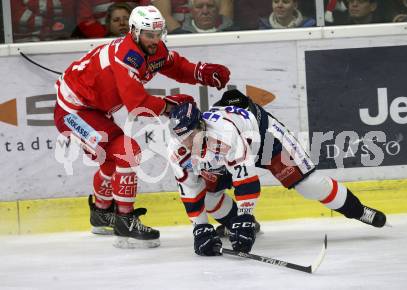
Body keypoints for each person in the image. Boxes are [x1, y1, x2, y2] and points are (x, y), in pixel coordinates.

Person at [53, 5, 230, 249]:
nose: (155, 40)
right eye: (149, 34)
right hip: (73, 111)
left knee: (109, 158)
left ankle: (102, 212)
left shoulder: (151, 47)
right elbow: (136, 103)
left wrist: (200, 72)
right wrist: (169, 107)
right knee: (127, 152)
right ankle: (124, 221)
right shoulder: (126, 56)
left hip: (93, 108)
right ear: (135, 32)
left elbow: (175, 66)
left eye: (159, 33)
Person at [167, 90, 387, 256]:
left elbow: (247, 182)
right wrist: (201, 227)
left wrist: (246, 215)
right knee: (209, 197)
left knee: (310, 185)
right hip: (226, 152)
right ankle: (236, 224)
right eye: (180, 136)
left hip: (264, 138)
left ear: (201, 126)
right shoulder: (176, 151)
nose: (186, 142)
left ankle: (358, 210)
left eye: (190, 134)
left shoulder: (225, 135)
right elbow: (190, 191)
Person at [11, 0, 77, 42]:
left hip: (61, 42)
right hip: (23, 46)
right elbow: (17, 18)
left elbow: (68, 10)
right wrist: (50, 23)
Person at [153, 0, 233, 33]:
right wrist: (184, 34)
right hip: (182, 32)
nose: (205, 11)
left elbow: (224, 11)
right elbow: (164, 15)